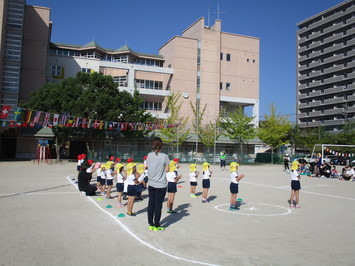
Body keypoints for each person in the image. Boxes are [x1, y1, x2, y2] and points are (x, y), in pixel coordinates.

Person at [146, 137, 170, 231]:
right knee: (158, 205)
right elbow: (167, 170)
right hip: (161, 184)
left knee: (151, 203)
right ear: (161, 146)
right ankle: (156, 225)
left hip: (151, 183)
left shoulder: (149, 155)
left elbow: (148, 166)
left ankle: (150, 223)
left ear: (153, 145)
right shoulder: (164, 156)